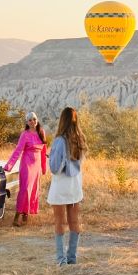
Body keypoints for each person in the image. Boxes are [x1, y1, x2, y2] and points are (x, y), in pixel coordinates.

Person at [47, 107, 87, 265]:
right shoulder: (80, 139)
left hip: (61, 184)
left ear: (62, 120)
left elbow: (55, 168)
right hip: (75, 184)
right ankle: (72, 257)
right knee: (74, 221)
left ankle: (61, 260)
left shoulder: (59, 140)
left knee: (59, 222)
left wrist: (51, 158)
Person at [3, 111, 47, 227]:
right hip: (27, 164)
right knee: (25, 190)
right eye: (30, 120)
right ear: (27, 122)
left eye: (34, 119)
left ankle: (25, 216)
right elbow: (18, 151)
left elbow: (44, 151)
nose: (33, 121)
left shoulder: (41, 132)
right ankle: (16, 217)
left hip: (37, 166)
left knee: (33, 190)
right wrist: (9, 165)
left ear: (37, 120)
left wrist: (43, 167)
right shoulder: (25, 134)